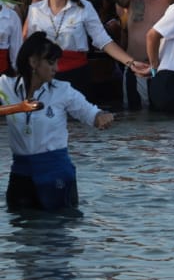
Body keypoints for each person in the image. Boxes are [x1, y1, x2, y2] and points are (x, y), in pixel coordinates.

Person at [1, 33, 111, 212]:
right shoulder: (5, 86)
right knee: (21, 234)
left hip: (55, 174)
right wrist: (17, 108)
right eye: (51, 63)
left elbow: (90, 112)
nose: (56, 68)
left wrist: (101, 117)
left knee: (57, 231)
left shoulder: (63, 90)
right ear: (33, 62)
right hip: (20, 175)